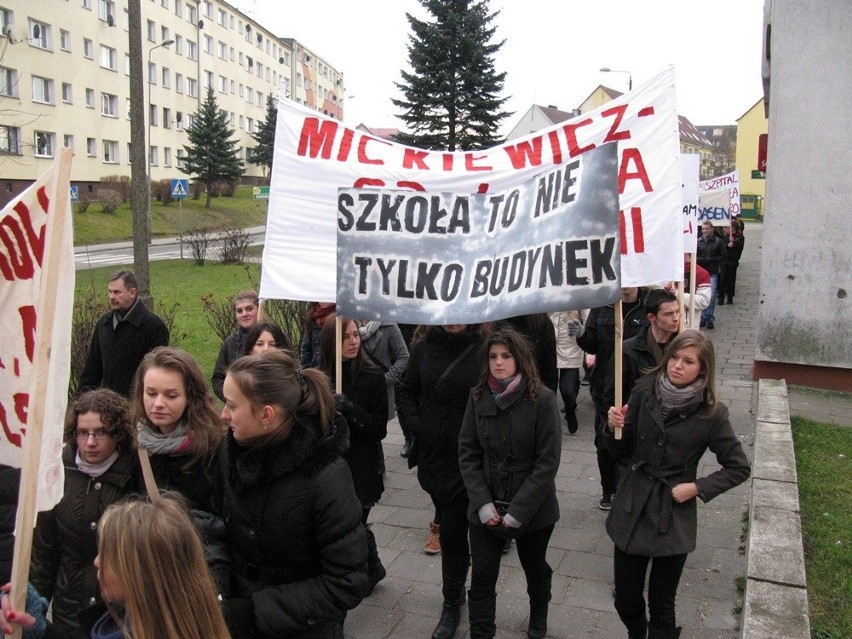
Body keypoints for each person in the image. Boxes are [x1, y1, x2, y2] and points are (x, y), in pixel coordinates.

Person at [606, 330, 750, 638]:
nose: (677, 365)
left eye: (688, 361)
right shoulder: (644, 391)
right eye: (674, 356)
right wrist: (613, 427)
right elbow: (621, 450)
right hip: (633, 505)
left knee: (662, 603)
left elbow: (738, 467)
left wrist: (697, 487)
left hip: (672, 512)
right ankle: (637, 633)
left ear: (703, 369)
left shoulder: (712, 413)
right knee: (626, 600)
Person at [217, 350, 368, 638]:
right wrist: (219, 583)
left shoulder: (327, 478)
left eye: (231, 406)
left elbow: (347, 582)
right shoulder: (230, 452)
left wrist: (255, 612)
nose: (223, 415)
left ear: (267, 415)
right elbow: (215, 525)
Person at [1, 495, 231, 639]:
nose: (97, 561)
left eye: (108, 554)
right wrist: (38, 628)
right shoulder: (113, 622)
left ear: (141, 571)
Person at [458, 329, 562, 639]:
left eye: (506, 356)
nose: (499, 362)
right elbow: (468, 452)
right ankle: (481, 632)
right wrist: (483, 503)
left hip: (533, 509)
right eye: (493, 357)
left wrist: (518, 511)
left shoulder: (541, 399)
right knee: (482, 577)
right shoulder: (478, 397)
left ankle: (539, 613)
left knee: (535, 567)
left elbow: (548, 462)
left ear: (520, 358)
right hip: (486, 502)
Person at [28, 389, 139, 638]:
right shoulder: (57, 473)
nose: (90, 442)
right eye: (82, 433)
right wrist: (34, 611)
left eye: (100, 432)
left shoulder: (135, 473)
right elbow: (44, 555)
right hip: (69, 613)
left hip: (117, 614)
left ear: (118, 433)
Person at [397, 324, 483, 639]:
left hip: (471, 459)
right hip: (435, 458)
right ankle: (458, 593)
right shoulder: (424, 348)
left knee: (454, 528)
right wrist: (418, 427)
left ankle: (452, 603)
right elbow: (406, 390)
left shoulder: (485, 348)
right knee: (450, 522)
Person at [318, 314, 389, 594]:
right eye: (345, 336)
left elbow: (378, 430)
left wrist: (349, 409)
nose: (353, 342)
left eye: (356, 335)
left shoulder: (373, 377)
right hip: (330, 465)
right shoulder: (320, 377)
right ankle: (372, 567)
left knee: (356, 522)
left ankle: (364, 571)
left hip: (361, 465)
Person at [575, 287, 648, 510]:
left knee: (635, 438)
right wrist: (580, 335)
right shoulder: (603, 305)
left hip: (638, 386)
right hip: (605, 386)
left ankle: (633, 487)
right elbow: (592, 344)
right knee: (605, 439)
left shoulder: (647, 305)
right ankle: (609, 489)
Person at [130, 347, 224, 511]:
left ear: (190, 397)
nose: (158, 404)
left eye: (171, 395)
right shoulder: (134, 442)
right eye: (151, 393)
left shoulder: (214, 446)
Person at [77, 269, 169, 397]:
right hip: (108, 407)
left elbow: (160, 373)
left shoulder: (153, 326)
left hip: (138, 408)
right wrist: (80, 405)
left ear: (132, 293)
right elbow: (91, 372)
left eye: (116, 292)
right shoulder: (104, 324)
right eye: (109, 292)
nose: (111, 297)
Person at [358, 320, 410, 458]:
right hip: (357, 388)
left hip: (380, 389)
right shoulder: (348, 324)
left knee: (375, 429)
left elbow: (403, 357)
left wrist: (385, 381)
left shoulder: (389, 325)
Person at [211, 290, 259, 401]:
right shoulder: (230, 343)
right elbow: (218, 378)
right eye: (239, 311)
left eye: (249, 309)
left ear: (259, 309)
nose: (244, 314)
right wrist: (232, 399)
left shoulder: (274, 338)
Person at [549, 309, 589, 434]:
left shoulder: (577, 291)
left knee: (567, 390)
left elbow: (588, 318)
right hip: (548, 343)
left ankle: (570, 409)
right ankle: (550, 423)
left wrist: (589, 350)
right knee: (549, 389)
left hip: (571, 345)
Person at [696, 221, 725, 329]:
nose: (705, 231)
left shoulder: (718, 242)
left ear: (712, 229)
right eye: (703, 229)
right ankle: (703, 317)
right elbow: (695, 257)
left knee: (711, 296)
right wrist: (703, 260)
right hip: (701, 273)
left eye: (707, 228)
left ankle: (709, 317)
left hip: (712, 272)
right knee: (701, 295)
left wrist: (710, 260)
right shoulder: (698, 242)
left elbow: (722, 256)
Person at [717, 219, 745, 305]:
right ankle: (720, 298)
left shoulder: (740, 237)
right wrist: (727, 245)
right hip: (724, 261)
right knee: (722, 280)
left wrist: (734, 243)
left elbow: (740, 248)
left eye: (729, 228)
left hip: (733, 261)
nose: (727, 230)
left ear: (734, 229)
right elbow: (721, 248)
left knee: (731, 280)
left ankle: (730, 298)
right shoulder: (724, 236)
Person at [300, 302, 335, 368]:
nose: (322, 301)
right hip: (316, 371)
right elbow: (306, 348)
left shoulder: (341, 317)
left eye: (325, 295)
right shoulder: (312, 315)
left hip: (335, 370)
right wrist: (307, 371)